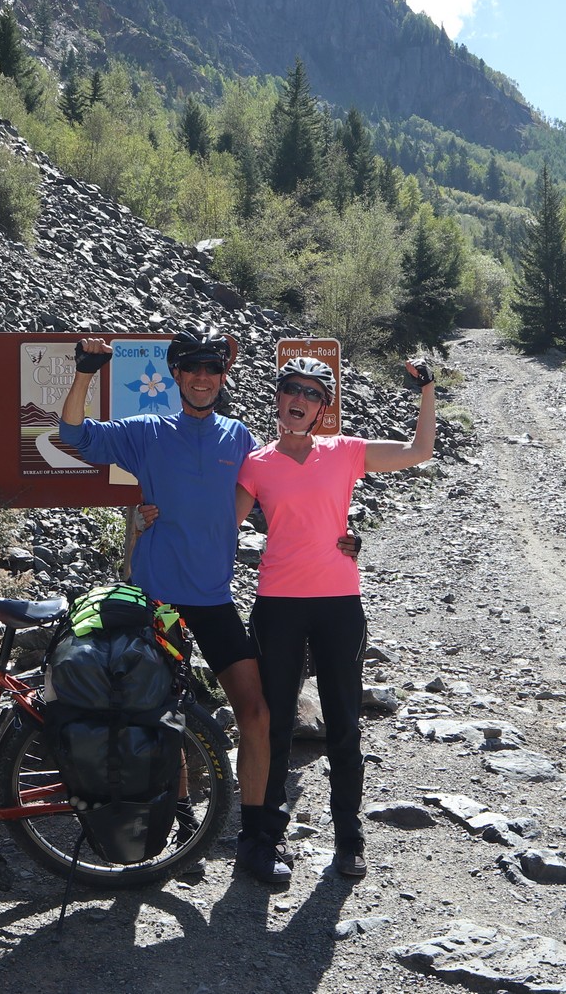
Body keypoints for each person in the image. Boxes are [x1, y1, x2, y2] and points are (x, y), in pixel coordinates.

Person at [57, 330, 292, 882]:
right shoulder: (146, 432)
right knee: (162, 713)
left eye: (212, 368)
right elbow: (72, 434)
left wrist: (339, 538)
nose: (203, 378)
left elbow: (284, 492)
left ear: (222, 376)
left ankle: (257, 838)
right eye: (193, 369)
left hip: (214, 598)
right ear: (177, 376)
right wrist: (86, 371)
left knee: (256, 714)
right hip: (158, 600)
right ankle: (180, 826)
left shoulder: (239, 437)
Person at [235, 355, 436, 881]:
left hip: (338, 603)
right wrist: (155, 513)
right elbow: (218, 525)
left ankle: (349, 840)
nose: (300, 400)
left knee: (344, 723)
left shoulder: (345, 452)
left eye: (312, 394)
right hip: (278, 604)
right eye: (292, 390)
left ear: (323, 408)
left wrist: (427, 390)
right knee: (277, 724)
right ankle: (269, 838)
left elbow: (419, 450)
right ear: (278, 398)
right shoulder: (255, 463)